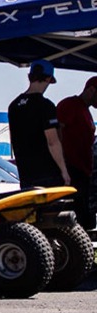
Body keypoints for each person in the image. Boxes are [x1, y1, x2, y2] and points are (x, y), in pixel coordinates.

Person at [7, 60, 71, 190]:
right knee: (53, 210)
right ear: (48, 79)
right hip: (47, 173)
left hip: (26, 174)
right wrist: (64, 170)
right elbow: (52, 142)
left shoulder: (14, 105)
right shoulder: (45, 105)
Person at [56, 76, 97, 230]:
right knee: (75, 217)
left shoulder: (85, 111)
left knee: (86, 217)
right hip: (72, 170)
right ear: (92, 90)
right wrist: (63, 165)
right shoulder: (70, 105)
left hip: (85, 172)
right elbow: (57, 131)